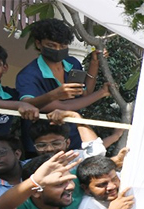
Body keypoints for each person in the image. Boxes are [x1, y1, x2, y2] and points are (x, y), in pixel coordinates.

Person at [15, 18, 108, 153]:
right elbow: (30, 104)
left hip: (73, 137)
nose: (58, 50)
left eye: (63, 46)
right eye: (52, 46)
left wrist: (94, 63)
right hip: (42, 145)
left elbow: (84, 93)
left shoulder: (72, 63)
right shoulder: (28, 75)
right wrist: (102, 93)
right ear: (38, 43)